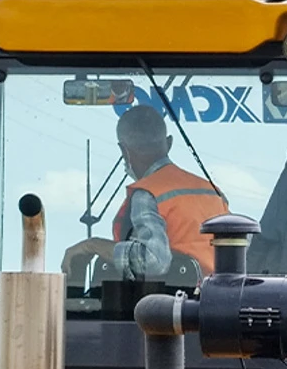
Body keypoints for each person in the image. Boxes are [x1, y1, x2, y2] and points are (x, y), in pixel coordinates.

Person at [62, 104, 228, 280]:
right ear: (169, 144)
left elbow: (154, 260)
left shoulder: (148, 194)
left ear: (124, 151)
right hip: (217, 301)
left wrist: (93, 245)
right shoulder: (214, 193)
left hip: (169, 305)